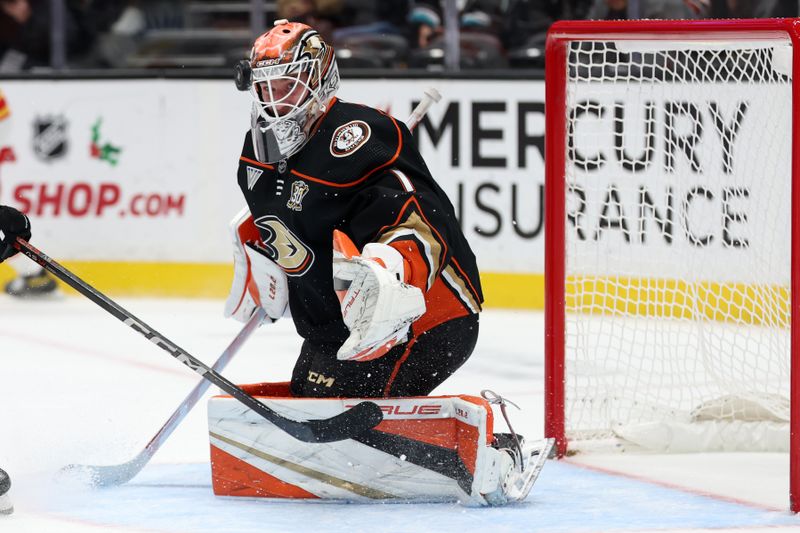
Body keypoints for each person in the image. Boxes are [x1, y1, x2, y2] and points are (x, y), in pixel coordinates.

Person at [225, 19, 483, 399]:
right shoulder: (257, 154)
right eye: (264, 86)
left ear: (317, 79)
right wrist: (265, 263)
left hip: (425, 319)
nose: (273, 97)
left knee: (354, 420)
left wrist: (393, 267)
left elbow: (422, 222)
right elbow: (288, 221)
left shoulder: (362, 139)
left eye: (285, 84)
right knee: (311, 406)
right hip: (335, 327)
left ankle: (491, 454)